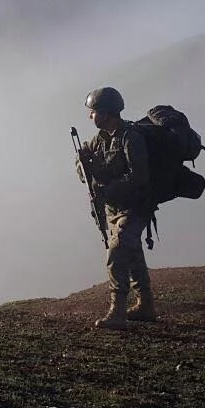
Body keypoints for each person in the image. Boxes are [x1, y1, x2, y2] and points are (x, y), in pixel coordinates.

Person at [77, 87, 154, 328]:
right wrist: (83, 166)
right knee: (131, 253)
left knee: (118, 250)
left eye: (93, 112)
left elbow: (139, 176)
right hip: (114, 209)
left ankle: (117, 311)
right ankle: (145, 305)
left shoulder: (130, 137)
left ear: (106, 113)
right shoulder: (100, 140)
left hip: (135, 206)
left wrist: (109, 190)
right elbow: (82, 164)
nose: (91, 117)